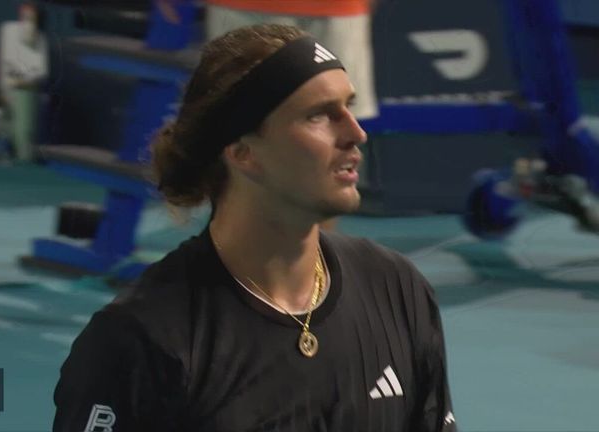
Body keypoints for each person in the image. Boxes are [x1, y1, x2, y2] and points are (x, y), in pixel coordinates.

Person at [53, 24, 456, 432]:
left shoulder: (397, 289)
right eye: (318, 114)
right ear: (243, 153)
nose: (356, 133)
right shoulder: (141, 339)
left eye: (349, 106)